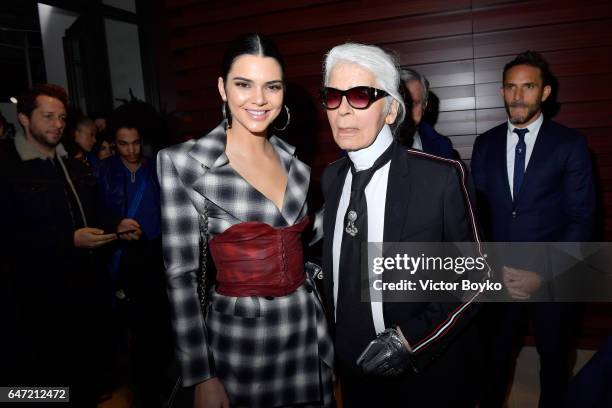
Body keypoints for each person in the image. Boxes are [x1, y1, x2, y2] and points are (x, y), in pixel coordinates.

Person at [157, 33, 334, 408]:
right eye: (243, 84)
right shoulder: (183, 162)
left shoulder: (295, 162)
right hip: (240, 343)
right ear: (222, 87)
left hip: (305, 329)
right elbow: (180, 277)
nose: (259, 99)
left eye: (272, 86)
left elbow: (305, 237)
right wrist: (202, 374)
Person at [319, 43, 485, 407]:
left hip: (423, 376)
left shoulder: (439, 178)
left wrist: (409, 341)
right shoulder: (330, 179)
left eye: (360, 95)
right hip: (352, 372)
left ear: (392, 109)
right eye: (333, 96)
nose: (343, 109)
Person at [0, 84, 140, 406]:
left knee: (88, 381)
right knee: (41, 387)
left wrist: (116, 225)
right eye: (47, 116)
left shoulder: (75, 166)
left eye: (61, 117)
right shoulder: (9, 170)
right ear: (23, 118)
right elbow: (8, 237)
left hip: (85, 296)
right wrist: (67, 240)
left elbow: (93, 210)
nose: (58, 124)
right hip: (36, 303)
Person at [471, 51, 596, 408]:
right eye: (510, 87)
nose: (517, 96)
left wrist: (540, 272)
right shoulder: (486, 143)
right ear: (501, 92)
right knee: (493, 364)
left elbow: (582, 220)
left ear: (545, 93)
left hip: (553, 278)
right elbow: (477, 214)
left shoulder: (570, 145)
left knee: (554, 365)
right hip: (499, 276)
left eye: (527, 87)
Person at [95, 114, 170, 406]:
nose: (131, 150)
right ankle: (142, 385)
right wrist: (115, 224)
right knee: (137, 324)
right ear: (114, 145)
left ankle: (160, 376)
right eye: (124, 144)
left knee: (162, 319)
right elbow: (95, 210)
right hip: (124, 254)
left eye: (136, 143)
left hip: (157, 249)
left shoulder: (156, 169)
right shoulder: (103, 172)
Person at [398, 68, 455, 159]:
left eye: (413, 103)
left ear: (424, 105)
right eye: (401, 103)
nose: (406, 111)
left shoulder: (442, 147)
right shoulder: (371, 141)